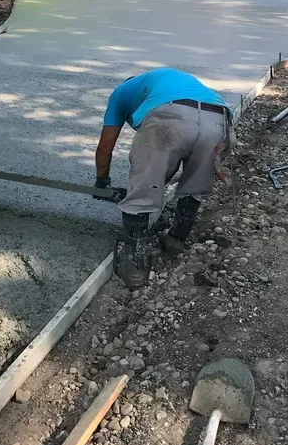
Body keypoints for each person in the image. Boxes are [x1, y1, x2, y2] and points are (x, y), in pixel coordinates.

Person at [94, 68, 232, 290]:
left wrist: (102, 181)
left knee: (140, 194)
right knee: (194, 185)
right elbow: (172, 160)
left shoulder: (120, 93)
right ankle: (175, 240)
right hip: (218, 118)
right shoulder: (166, 82)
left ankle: (135, 268)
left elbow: (105, 147)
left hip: (171, 116)